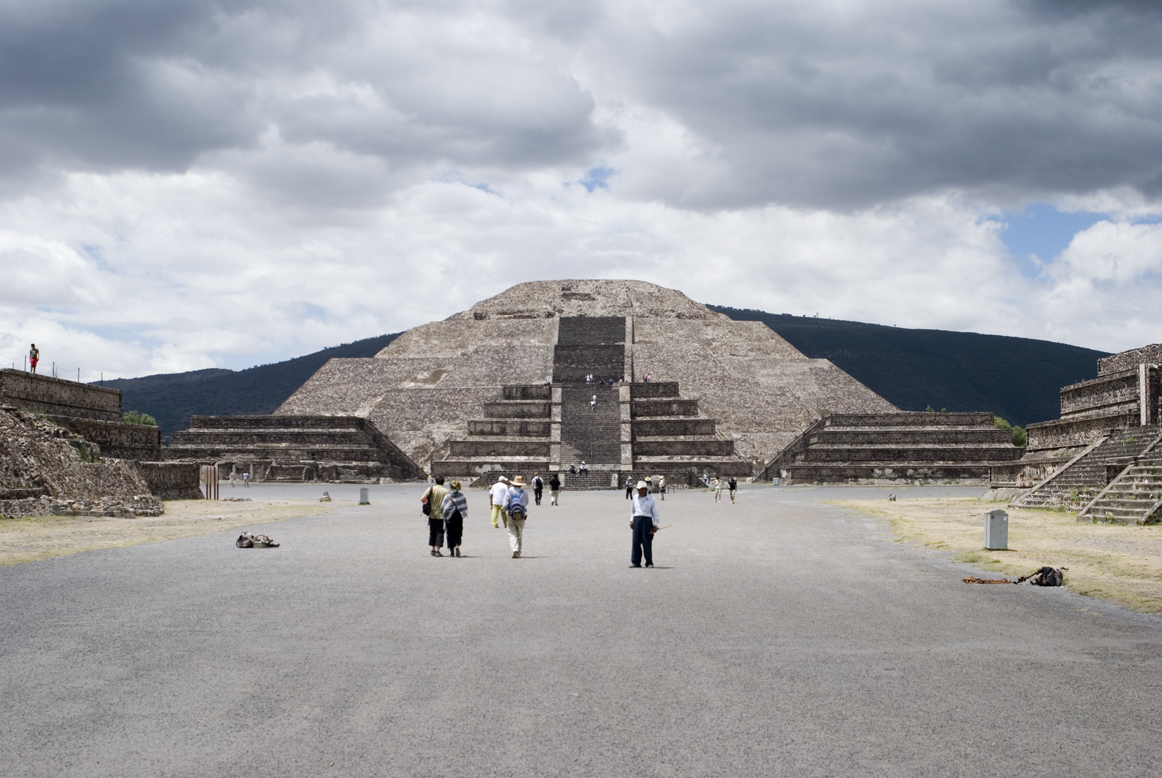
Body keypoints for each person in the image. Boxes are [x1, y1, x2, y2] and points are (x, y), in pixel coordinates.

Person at [629, 480, 660, 568]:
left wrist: (654, 524)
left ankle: (649, 562)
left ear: (645, 489)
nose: (640, 491)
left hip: (647, 520)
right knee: (636, 542)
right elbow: (632, 510)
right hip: (636, 520)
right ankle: (636, 562)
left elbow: (655, 513)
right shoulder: (635, 498)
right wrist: (631, 520)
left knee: (647, 542)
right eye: (638, 489)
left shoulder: (652, 499)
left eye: (642, 489)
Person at [502, 476, 530, 558]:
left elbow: (505, 505)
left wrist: (504, 509)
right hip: (521, 516)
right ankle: (519, 552)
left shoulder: (508, 492)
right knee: (519, 533)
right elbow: (526, 503)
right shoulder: (524, 493)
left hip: (511, 515)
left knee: (512, 533)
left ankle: (515, 548)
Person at [423, 477, 449, 556]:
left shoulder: (431, 489)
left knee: (432, 532)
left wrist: (428, 502)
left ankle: (433, 549)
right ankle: (438, 550)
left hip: (432, 514)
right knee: (440, 532)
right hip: (441, 515)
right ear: (443, 482)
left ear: (436, 482)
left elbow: (422, 498)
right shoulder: (446, 491)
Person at [442, 480, 467, 557]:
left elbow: (443, 507)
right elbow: (464, 506)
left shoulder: (448, 496)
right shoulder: (462, 496)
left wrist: (446, 514)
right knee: (458, 532)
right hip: (458, 516)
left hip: (450, 517)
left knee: (450, 533)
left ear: (451, 487)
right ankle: (457, 544)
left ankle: (451, 551)